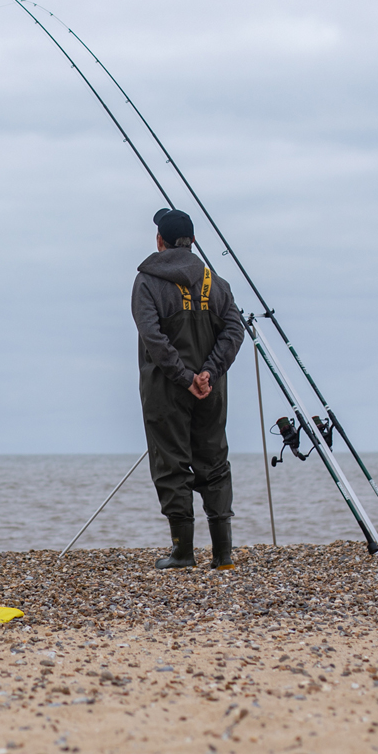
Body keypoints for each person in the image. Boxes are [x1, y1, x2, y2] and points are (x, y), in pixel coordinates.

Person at [132, 207, 245, 570]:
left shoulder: (147, 282)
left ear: (159, 242)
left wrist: (185, 378)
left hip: (166, 391)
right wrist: (208, 374)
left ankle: (183, 552)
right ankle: (223, 554)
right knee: (214, 462)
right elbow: (234, 331)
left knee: (171, 464)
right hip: (210, 391)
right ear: (193, 241)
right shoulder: (218, 283)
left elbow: (153, 337)